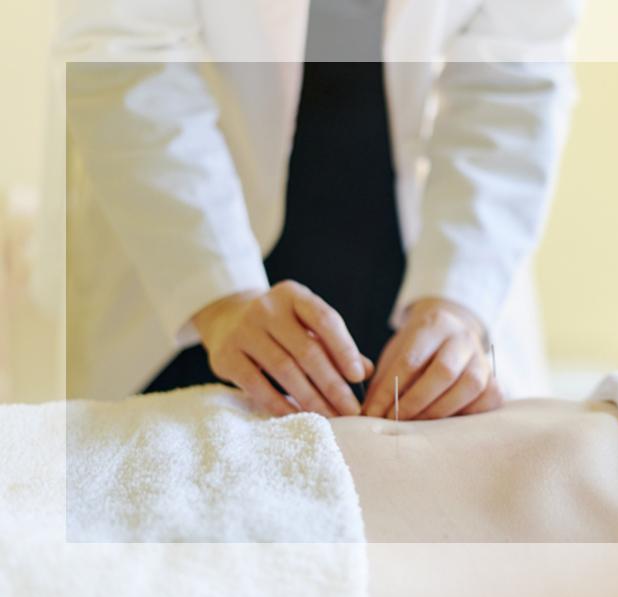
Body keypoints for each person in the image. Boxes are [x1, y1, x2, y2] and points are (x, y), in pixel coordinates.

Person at [61, 0, 579, 417]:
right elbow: (126, 56)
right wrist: (218, 293)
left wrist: (457, 299)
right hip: (186, 250)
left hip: (425, 254)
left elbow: (514, 78)